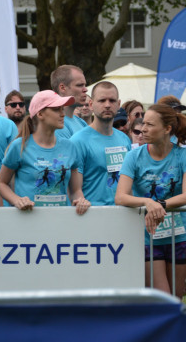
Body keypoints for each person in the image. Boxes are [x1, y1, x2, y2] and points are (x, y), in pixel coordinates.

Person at [115, 104, 186, 298]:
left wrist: (161, 205)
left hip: (179, 235)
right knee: (162, 299)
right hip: (148, 237)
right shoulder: (134, 156)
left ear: (167, 129)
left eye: (150, 125)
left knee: (176, 298)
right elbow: (120, 196)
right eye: (143, 123)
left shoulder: (182, 155)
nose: (143, 129)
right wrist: (148, 202)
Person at [0, 90, 90, 213]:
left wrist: (80, 200)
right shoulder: (19, 146)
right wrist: (17, 200)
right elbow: (0, 183)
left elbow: (75, 191)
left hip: (60, 220)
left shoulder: (70, 147)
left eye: (62, 109)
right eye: (56, 109)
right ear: (40, 114)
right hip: (28, 220)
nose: (62, 114)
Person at [70, 82, 132, 206]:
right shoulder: (78, 141)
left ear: (118, 104)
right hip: (92, 213)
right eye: (102, 100)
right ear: (91, 104)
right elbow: (74, 191)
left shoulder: (124, 139)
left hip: (123, 213)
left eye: (112, 100)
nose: (107, 105)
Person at [50, 65, 88, 139]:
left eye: (85, 85)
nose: (85, 89)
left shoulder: (81, 122)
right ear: (62, 88)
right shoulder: (57, 125)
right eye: (79, 85)